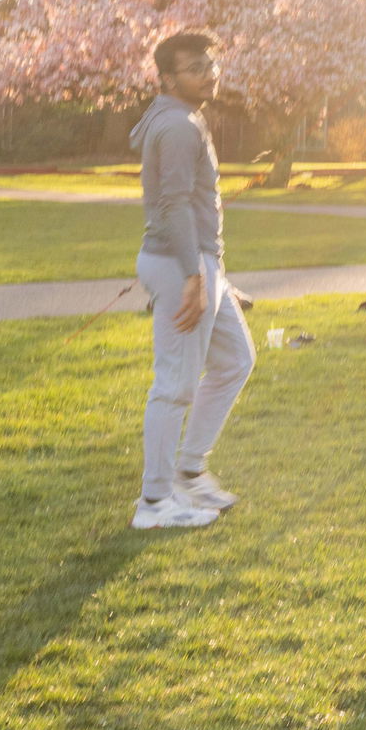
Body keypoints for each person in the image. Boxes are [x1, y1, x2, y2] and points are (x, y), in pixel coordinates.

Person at [127, 31, 252, 531]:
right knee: (175, 385)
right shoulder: (177, 126)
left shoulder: (185, 119)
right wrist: (194, 277)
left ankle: (189, 472)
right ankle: (154, 504)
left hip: (201, 264)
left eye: (211, 64)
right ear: (168, 79)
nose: (209, 73)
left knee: (235, 360)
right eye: (195, 67)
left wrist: (217, 276)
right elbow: (172, 204)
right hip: (181, 265)